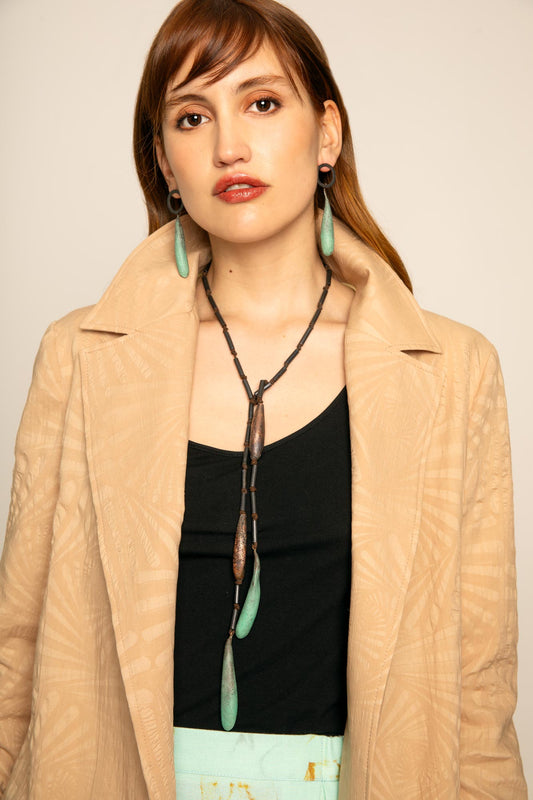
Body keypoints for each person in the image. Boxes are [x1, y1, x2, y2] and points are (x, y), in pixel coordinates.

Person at [0, 0, 527, 797]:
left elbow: (477, 688)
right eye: (191, 117)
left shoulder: (452, 371)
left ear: (327, 134)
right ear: (164, 161)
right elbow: (17, 649)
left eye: (262, 103)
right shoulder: (79, 357)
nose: (228, 146)